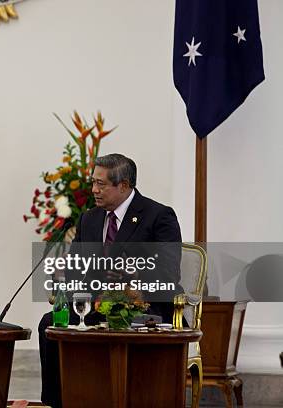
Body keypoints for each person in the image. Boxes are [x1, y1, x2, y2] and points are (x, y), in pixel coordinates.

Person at [38, 153, 182, 408]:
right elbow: (76, 266)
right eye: (93, 182)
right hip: (96, 306)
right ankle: (56, 402)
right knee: (50, 323)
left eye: (101, 184)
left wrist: (135, 274)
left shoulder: (158, 216)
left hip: (142, 307)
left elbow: (169, 273)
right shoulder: (89, 218)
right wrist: (63, 272)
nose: (94, 190)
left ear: (124, 185)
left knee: (121, 324)